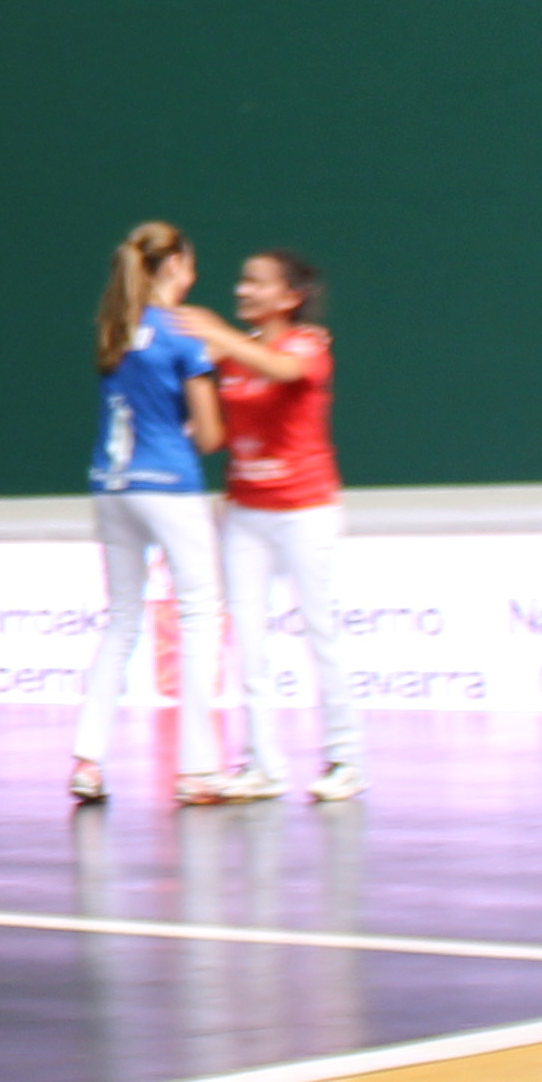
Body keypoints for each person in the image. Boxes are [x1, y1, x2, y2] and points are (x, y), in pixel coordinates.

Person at [66, 221, 238, 805]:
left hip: (110, 485)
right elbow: (211, 434)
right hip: (168, 485)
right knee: (201, 616)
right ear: (176, 268)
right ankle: (198, 769)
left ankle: (87, 762)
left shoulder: (114, 329)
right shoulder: (184, 334)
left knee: (121, 622)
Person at [185, 250, 353, 801]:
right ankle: (262, 765)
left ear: (289, 298)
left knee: (320, 630)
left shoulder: (308, 344)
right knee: (251, 642)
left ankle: (346, 760)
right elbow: (216, 432)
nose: (242, 290)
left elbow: (283, 371)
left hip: (306, 511)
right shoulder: (231, 358)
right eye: (241, 280)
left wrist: (218, 334)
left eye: (256, 283)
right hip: (247, 515)